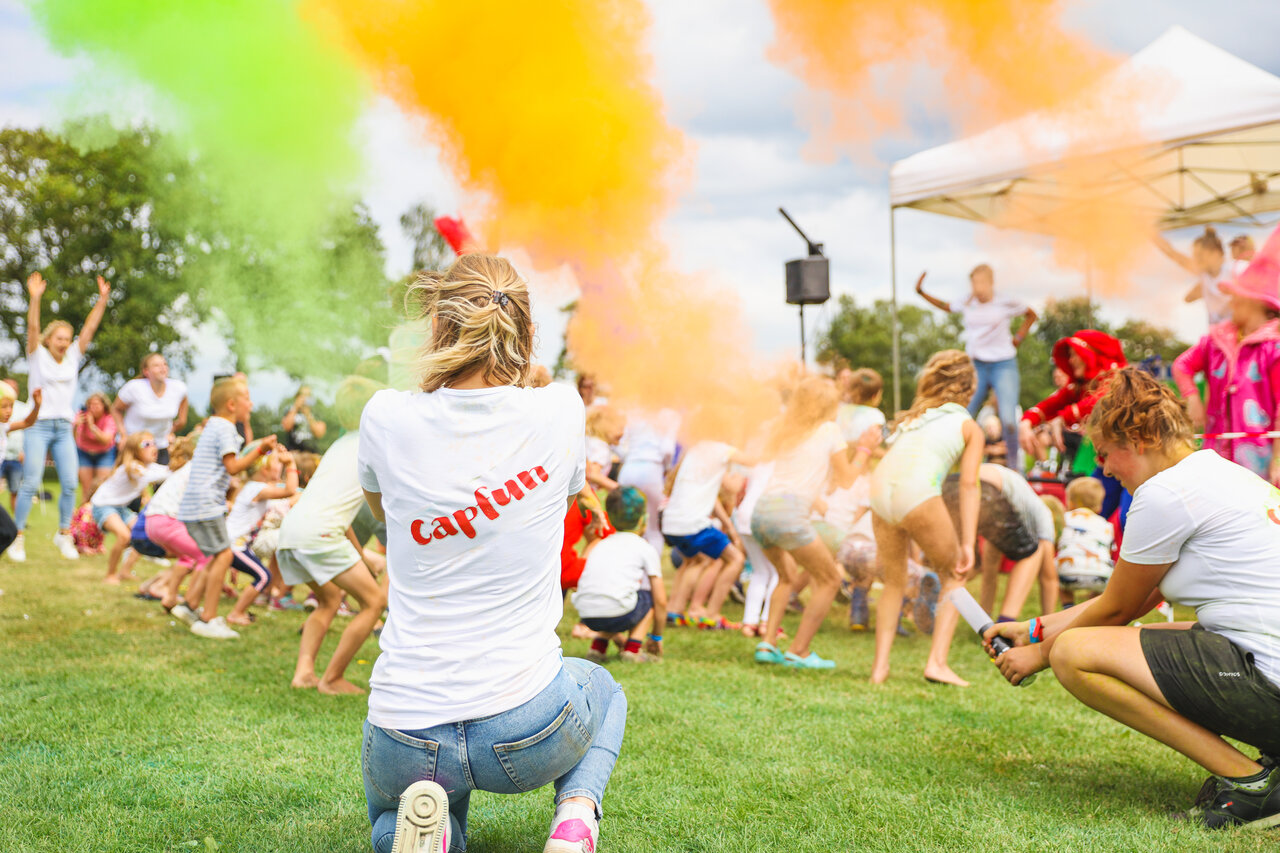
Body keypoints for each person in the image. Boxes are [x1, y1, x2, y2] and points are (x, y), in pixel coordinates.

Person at [357, 254, 626, 853]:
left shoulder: (386, 415)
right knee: (604, 688)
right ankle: (575, 823)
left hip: (408, 725)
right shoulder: (560, 410)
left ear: (437, 326)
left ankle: (437, 837)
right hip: (529, 725)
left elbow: (384, 516)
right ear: (527, 333)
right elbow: (570, 496)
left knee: (394, 816)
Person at [986, 367, 1280, 829]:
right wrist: (1032, 628)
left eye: (1104, 453)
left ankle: (1250, 784)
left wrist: (1040, 653)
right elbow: (1136, 600)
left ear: (1137, 439)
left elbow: (1119, 609)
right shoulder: (1218, 473)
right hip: (1264, 665)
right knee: (1175, 633)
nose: (1102, 468)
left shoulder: (1166, 492)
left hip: (1269, 680)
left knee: (1073, 654)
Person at [868, 350, 985, 686]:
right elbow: (968, 484)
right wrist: (967, 542)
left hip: (880, 491)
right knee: (955, 574)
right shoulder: (967, 425)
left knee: (893, 581)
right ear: (969, 389)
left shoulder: (912, 420)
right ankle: (936, 663)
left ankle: (879, 669)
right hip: (916, 492)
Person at [751, 376, 875, 670]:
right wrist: (866, 449)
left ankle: (768, 644)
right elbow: (846, 480)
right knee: (830, 579)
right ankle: (799, 651)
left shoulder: (788, 430)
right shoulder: (830, 430)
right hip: (790, 515)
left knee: (786, 577)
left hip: (763, 511)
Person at [276, 376, 387, 694]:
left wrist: (358, 556)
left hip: (293, 531)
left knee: (328, 599)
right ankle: (332, 678)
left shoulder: (340, 444)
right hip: (319, 534)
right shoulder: (373, 445)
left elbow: (340, 511)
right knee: (374, 602)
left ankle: (304, 673)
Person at [13, 271, 110, 562]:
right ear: (48, 339)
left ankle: (64, 534)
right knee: (30, 482)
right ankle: (16, 537)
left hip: (63, 427)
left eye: (68, 339)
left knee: (69, 483)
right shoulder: (37, 355)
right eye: (59, 338)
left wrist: (102, 300)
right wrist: (35, 299)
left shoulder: (72, 358)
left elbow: (90, 330)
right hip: (38, 426)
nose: (65, 342)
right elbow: (32, 327)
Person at [1173, 225, 1280, 482]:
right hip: (1217, 461)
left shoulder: (1274, 347)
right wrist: (1191, 397)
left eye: (1236, 297)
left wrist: (1277, 462)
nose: (1229, 303)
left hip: (1258, 467)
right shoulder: (1216, 340)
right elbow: (1182, 365)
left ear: (1254, 301)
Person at [177, 377, 275, 640]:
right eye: (247, 397)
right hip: (206, 504)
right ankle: (208, 618)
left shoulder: (214, 426)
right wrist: (261, 450)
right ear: (232, 404)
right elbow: (233, 467)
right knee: (222, 556)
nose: (251, 403)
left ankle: (188, 606)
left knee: (214, 556)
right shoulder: (226, 429)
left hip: (196, 504)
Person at [916, 265, 1037, 470]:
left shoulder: (1005, 301)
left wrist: (1017, 338)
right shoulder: (967, 301)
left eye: (981, 283)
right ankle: (952, 465)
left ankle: (1017, 469)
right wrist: (922, 292)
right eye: (974, 283)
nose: (977, 288)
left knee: (1008, 419)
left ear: (990, 283)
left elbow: (1031, 315)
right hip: (977, 365)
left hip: (1003, 364)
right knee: (962, 414)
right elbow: (946, 306)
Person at [942, 463, 1058, 622]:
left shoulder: (1012, 514)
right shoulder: (1045, 517)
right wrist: (1049, 621)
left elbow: (990, 565)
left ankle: (982, 618)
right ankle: (1006, 622)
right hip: (984, 490)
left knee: (967, 565)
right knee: (1033, 553)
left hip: (951, 486)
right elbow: (1049, 578)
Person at [662, 438, 750, 629]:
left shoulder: (696, 449)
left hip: (674, 521)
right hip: (693, 523)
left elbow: (713, 498)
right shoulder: (720, 448)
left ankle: (673, 611)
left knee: (694, 561)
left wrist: (729, 527)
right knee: (735, 559)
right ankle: (710, 614)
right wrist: (741, 472)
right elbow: (735, 484)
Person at [573, 486, 666, 664]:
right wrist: (656, 637)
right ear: (643, 520)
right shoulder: (644, 547)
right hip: (616, 613)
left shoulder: (600, 544)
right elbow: (660, 600)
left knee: (611, 602)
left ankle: (598, 647)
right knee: (647, 598)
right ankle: (632, 650)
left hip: (586, 616)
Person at [223, 441, 299, 627]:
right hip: (234, 545)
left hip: (235, 544)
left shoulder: (253, 487)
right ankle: (236, 613)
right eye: (276, 462)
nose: (280, 465)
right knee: (264, 577)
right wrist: (290, 464)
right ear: (264, 469)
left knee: (262, 575)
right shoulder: (257, 488)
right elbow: (290, 491)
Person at [89, 431, 170, 584]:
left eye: (154, 443)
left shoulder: (149, 467)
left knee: (142, 534)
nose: (153, 447)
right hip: (103, 506)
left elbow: (167, 471)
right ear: (134, 449)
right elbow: (149, 476)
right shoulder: (131, 466)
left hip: (119, 507)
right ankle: (110, 575)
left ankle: (125, 571)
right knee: (124, 536)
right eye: (146, 444)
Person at [616, 410, 678, 553]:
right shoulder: (669, 414)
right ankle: (651, 573)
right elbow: (668, 449)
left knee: (627, 527)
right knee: (654, 530)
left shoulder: (634, 411)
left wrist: (629, 458)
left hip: (629, 469)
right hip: (653, 469)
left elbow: (620, 444)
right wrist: (667, 468)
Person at [112, 353, 189, 465]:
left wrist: (173, 429)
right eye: (156, 365)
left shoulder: (178, 388)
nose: (163, 368)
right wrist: (123, 434)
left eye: (165, 364)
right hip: (134, 445)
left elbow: (182, 417)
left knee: (162, 481)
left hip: (160, 444)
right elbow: (116, 409)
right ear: (146, 371)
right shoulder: (134, 387)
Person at [1056, 476, 1115, 607]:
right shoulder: (1105, 525)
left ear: (1070, 503)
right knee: (1106, 575)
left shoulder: (1065, 519)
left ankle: (1068, 606)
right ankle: (1090, 606)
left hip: (1067, 574)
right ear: (1099, 506)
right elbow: (1109, 549)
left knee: (1055, 573)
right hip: (1100, 576)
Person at [1154, 226, 1231, 326]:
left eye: (1200, 255)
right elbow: (1174, 255)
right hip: (1218, 335)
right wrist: (1154, 237)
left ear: (1215, 253)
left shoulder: (1234, 270)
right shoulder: (1205, 275)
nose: (1196, 259)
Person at [0, 384, 39, 557]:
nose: (9, 411)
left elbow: (27, 422)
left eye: (11, 406)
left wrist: (37, 406)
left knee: (9, 532)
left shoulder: (4, 427)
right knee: (8, 531)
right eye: (4, 406)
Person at [75, 393, 118, 502]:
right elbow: (73, 438)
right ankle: (84, 516)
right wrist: (75, 426)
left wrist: (92, 426)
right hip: (84, 452)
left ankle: (99, 514)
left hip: (105, 453)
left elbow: (106, 440)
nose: (93, 408)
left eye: (96, 405)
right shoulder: (81, 416)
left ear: (104, 406)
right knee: (87, 489)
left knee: (102, 487)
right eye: (90, 405)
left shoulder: (109, 418)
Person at [1, 379, 30, 514]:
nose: (8, 411)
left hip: (15, 456)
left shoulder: (22, 408)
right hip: (4, 456)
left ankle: (17, 523)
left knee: (15, 490)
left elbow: (26, 424)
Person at [584, 406, 625, 491]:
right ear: (605, 427)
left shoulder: (591, 441)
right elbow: (592, 474)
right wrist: (618, 488)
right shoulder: (602, 449)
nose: (622, 433)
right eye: (620, 428)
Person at [281, 385, 327, 453]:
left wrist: (307, 413)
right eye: (303, 395)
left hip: (311, 453)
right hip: (293, 452)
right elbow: (286, 427)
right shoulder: (290, 411)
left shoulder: (316, 413)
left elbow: (319, 433)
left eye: (308, 395)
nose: (305, 398)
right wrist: (295, 407)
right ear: (297, 397)